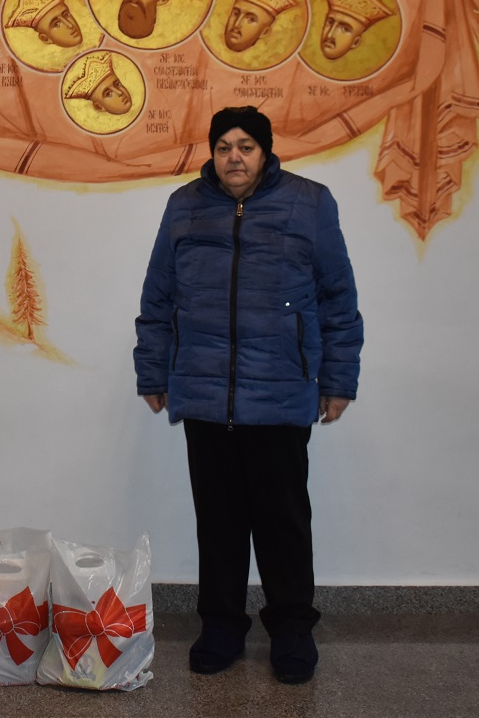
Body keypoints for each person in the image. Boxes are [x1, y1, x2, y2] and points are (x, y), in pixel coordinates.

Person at [133, 106, 362, 685]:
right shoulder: (184, 206)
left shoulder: (310, 203)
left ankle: (292, 631)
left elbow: (338, 299)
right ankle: (221, 628)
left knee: (284, 524)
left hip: (280, 394)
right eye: (223, 147)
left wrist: (337, 381)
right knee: (218, 522)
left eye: (246, 146)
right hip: (205, 393)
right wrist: (153, 373)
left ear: (265, 151)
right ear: (212, 153)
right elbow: (158, 296)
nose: (234, 157)